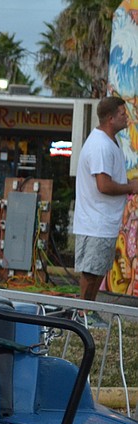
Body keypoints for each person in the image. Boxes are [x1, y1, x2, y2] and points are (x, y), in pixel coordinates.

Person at [73, 95, 138, 327]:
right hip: (95, 221)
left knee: (98, 269)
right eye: (122, 114)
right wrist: (130, 187)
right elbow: (103, 185)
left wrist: (128, 183)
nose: (126, 117)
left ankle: (88, 311)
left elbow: (110, 180)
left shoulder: (110, 141)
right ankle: (83, 314)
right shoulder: (100, 145)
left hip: (103, 221)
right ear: (110, 118)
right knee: (91, 272)